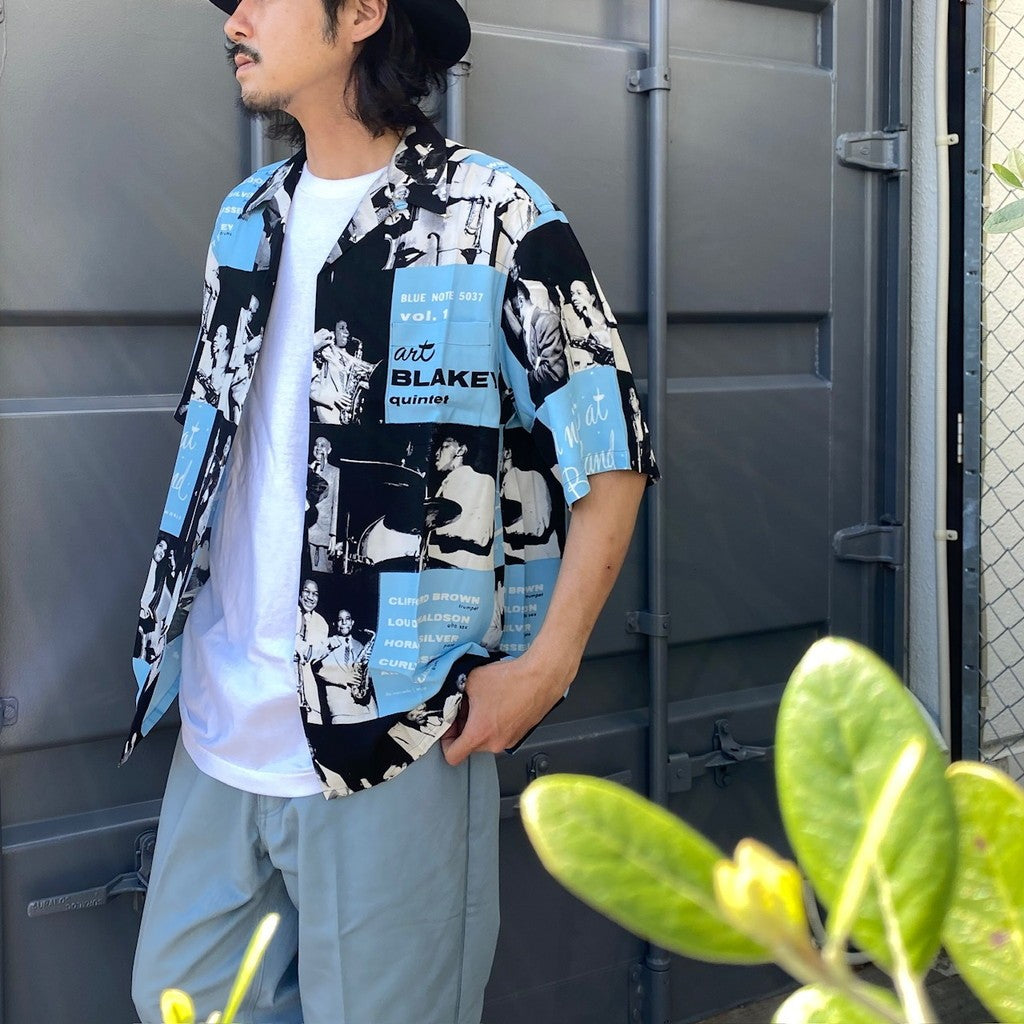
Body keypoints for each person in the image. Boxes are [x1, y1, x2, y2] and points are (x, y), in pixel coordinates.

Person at [125, 2, 657, 1022]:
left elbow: (610, 448)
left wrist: (546, 666)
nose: (237, 20)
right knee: (178, 999)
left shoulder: (495, 213)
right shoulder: (246, 218)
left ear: (363, 12)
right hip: (221, 723)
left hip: (394, 732)